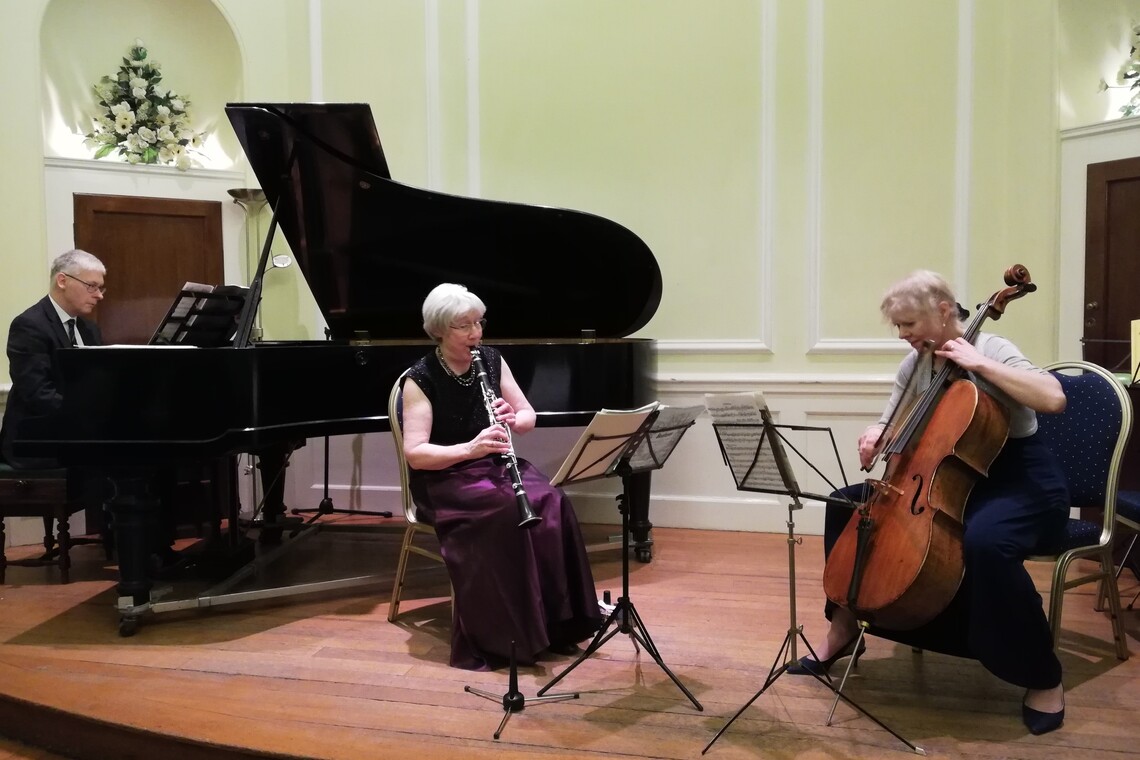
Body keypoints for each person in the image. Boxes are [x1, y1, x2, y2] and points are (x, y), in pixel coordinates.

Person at [790, 270, 1070, 736]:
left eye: (908, 324)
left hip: (1021, 482)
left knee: (985, 543)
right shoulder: (914, 365)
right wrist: (876, 433)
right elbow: (890, 422)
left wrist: (978, 363)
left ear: (943, 311)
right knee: (846, 505)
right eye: (897, 327)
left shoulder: (994, 348)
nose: (903, 336)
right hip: (945, 477)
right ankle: (841, 631)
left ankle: (1043, 676)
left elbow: (1053, 398)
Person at [400, 283, 603, 670]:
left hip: (492, 464)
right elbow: (417, 454)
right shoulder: (420, 378)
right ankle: (507, 636)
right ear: (439, 329)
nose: (476, 333)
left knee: (552, 500)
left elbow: (527, 415)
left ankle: (556, 626)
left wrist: (515, 418)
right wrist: (470, 449)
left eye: (479, 323)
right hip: (446, 477)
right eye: (464, 326)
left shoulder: (491, 360)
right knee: (504, 511)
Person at [2, 249, 106, 467]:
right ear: (62, 281)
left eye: (100, 287)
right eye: (92, 286)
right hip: (37, 443)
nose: (99, 295)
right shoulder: (30, 325)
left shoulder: (89, 329)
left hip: (79, 437)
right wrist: (88, 416)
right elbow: (37, 392)